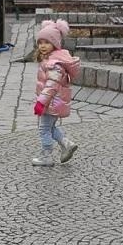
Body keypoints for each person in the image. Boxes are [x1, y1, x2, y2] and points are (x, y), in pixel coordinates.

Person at [29, 19, 80, 166]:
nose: (42, 46)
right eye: (40, 42)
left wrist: (40, 102)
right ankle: (67, 144)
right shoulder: (51, 59)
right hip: (54, 101)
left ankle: (46, 156)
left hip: (51, 101)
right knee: (50, 127)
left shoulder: (54, 64)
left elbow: (51, 85)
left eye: (47, 42)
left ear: (55, 44)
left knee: (44, 129)